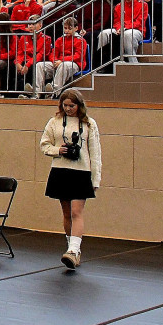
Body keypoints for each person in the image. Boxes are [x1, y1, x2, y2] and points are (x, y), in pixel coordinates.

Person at [40, 89, 102, 269]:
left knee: (77, 212)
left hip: (81, 171)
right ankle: (72, 249)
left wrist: (95, 179)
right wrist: (58, 150)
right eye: (65, 105)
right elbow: (44, 144)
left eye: (72, 106)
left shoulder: (89, 124)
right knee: (66, 213)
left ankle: (74, 250)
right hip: (60, 169)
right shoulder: (55, 122)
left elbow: (95, 153)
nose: (68, 109)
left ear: (79, 105)